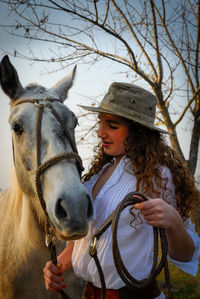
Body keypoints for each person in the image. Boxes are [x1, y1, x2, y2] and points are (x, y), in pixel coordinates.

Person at [43, 82, 200, 299]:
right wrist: (58, 265)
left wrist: (173, 221)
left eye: (112, 125)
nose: (100, 133)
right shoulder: (98, 176)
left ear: (138, 131)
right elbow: (87, 240)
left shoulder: (158, 177)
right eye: (101, 124)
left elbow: (185, 254)